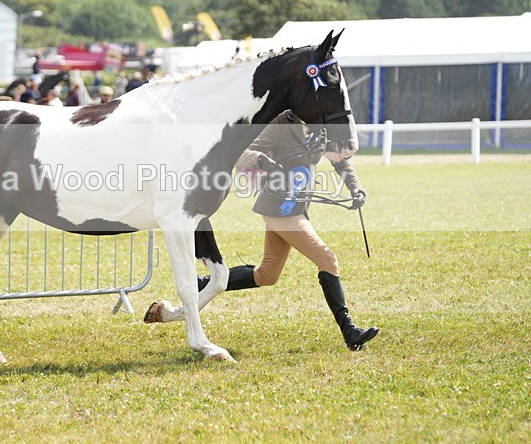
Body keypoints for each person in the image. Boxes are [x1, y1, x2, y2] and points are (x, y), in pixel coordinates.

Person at [148, 110, 378, 352]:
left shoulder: (320, 126)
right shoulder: (282, 123)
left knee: (267, 274)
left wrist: (356, 189)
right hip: (279, 207)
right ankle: (350, 331)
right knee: (327, 259)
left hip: (296, 206)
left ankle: (201, 283)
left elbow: (341, 160)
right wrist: (263, 161)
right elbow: (243, 154)